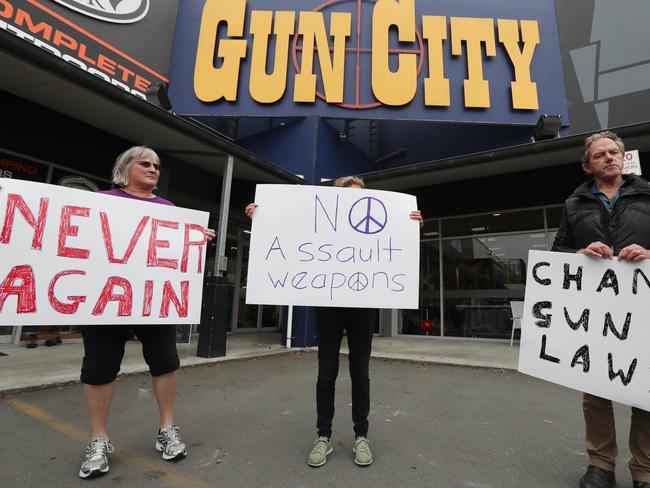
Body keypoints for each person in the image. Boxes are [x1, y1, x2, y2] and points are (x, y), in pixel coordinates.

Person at [246, 176, 423, 467]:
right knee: (326, 374)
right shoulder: (322, 221)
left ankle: (361, 437)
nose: (360, 201)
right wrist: (262, 218)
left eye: (362, 196)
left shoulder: (375, 221)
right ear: (336, 199)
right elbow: (289, 230)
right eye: (352, 196)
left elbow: (397, 244)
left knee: (360, 374)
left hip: (363, 306)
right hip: (328, 306)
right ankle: (323, 437)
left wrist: (410, 223)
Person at [78, 146, 215, 479]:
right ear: (126, 167)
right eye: (145, 163)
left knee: (165, 362)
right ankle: (98, 439)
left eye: (157, 165)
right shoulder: (103, 201)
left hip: (154, 300)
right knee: (99, 368)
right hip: (106, 299)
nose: (153, 169)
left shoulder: (168, 208)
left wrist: (197, 239)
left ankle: (166, 429)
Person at [552, 131, 650, 488]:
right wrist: (579, 254)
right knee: (596, 391)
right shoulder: (573, 204)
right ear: (587, 165)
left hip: (644, 310)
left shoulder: (648, 194)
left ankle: (645, 470)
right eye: (600, 155)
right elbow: (557, 253)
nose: (608, 157)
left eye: (613, 152)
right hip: (596, 313)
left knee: (646, 391)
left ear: (623, 158)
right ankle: (601, 465)